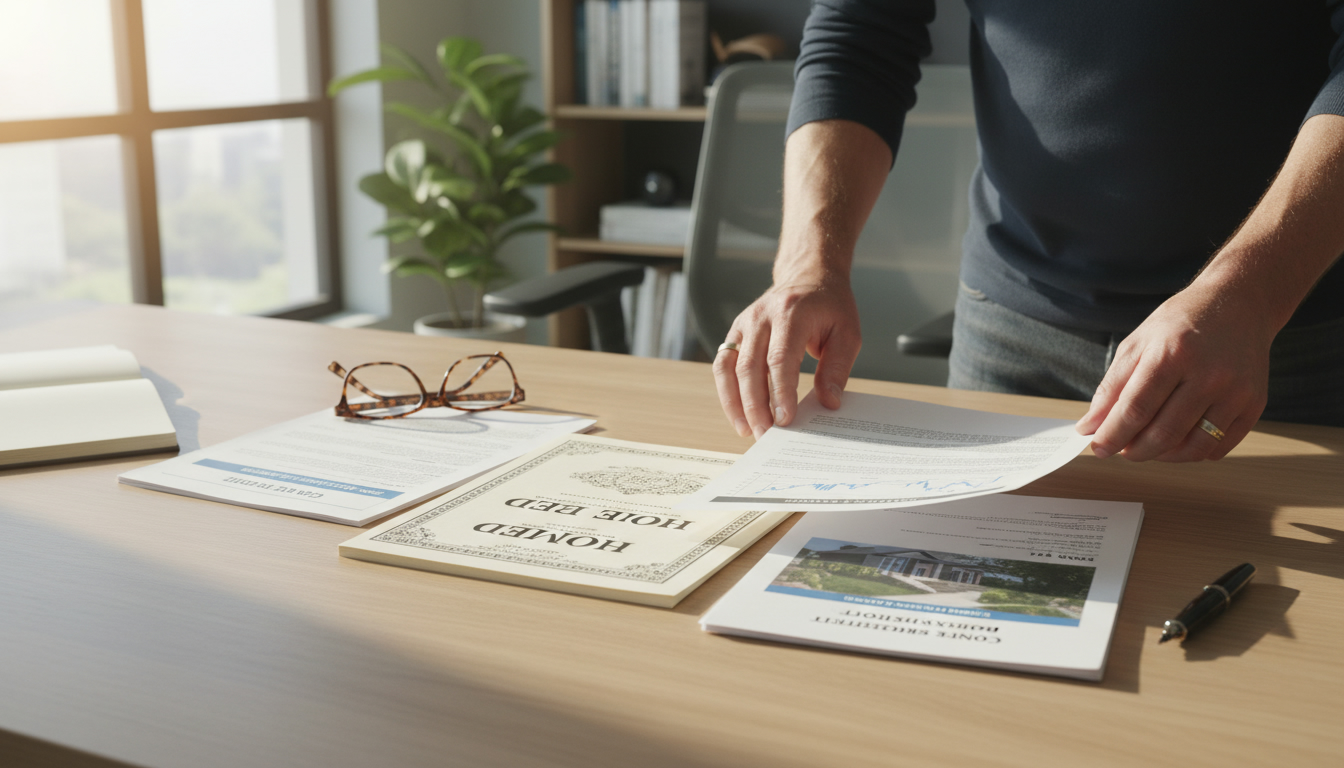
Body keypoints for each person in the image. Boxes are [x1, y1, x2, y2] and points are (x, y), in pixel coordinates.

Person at [713, 0, 1344, 462]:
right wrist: (809, 263)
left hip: (1278, 337)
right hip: (1009, 338)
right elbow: (860, 35)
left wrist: (1248, 297)